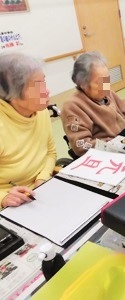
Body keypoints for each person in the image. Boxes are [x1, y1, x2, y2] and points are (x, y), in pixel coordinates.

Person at [60, 51, 125, 157]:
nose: (106, 85)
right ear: (82, 83)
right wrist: (120, 142)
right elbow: (82, 146)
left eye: (107, 79)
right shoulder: (72, 106)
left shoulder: (107, 92)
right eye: (100, 82)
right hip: (111, 155)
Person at [0, 52, 56, 208]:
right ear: (12, 94)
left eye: (43, 82)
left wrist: (42, 179)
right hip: (11, 202)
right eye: (38, 86)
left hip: (40, 191)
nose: (46, 91)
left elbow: (50, 152)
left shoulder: (41, 111)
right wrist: (3, 197)